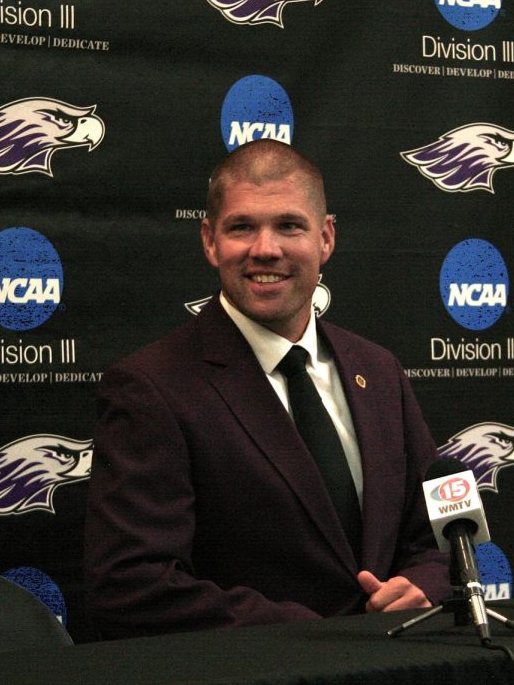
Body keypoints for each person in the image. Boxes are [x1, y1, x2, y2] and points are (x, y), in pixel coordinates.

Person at [83, 139, 449, 638]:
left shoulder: (379, 370)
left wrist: (424, 582)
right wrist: (315, 633)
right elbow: (131, 583)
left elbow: (440, 532)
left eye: (288, 225)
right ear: (210, 241)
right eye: (242, 228)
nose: (265, 249)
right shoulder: (152, 388)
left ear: (325, 238)